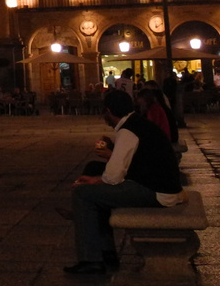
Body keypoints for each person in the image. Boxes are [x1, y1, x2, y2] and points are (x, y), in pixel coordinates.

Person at [65, 88, 184, 275]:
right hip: (155, 182)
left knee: (82, 194)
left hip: (156, 191)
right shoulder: (136, 123)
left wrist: (95, 182)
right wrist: (97, 177)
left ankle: (91, 259)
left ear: (108, 112)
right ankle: (106, 251)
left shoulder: (128, 131)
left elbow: (113, 176)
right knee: (94, 169)